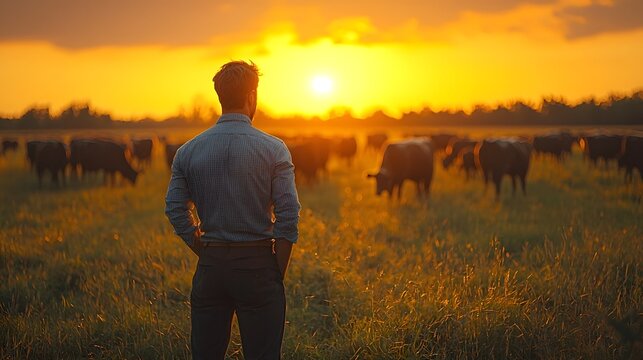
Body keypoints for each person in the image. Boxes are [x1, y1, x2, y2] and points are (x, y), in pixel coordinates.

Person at [165, 60, 301, 360]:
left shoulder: (188, 150)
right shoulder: (274, 148)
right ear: (252, 96)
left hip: (211, 265)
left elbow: (174, 207)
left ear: (220, 95)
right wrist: (275, 270)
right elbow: (288, 215)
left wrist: (202, 246)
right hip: (258, 263)